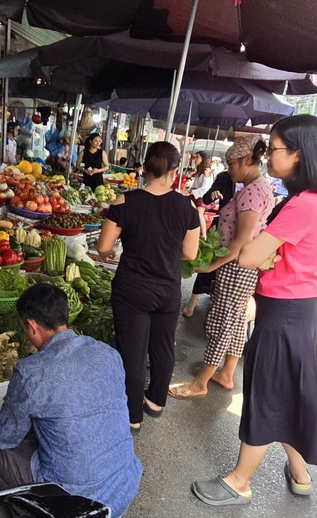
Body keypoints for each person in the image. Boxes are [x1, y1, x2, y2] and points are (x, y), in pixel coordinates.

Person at [191, 114, 317, 506]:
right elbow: (267, 255)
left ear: (298, 155)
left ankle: (240, 481)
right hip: (293, 309)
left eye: (273, 150)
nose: (267, 155)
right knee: (287, 394)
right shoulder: (309, 200)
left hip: (286, 315)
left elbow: (251, 254)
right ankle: (301, 473)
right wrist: (269, 258)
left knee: (267, 394)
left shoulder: (301, 204)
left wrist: (264, 257)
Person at [0, 284, 142, 517]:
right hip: (122, 486)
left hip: (75, 501)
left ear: (32, 326)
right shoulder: (107, 353)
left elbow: (4, 438)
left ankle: (31, 511)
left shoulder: (32, 372)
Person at [97, 141, 201, 433]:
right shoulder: (186, 206)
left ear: (143, 167)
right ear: (174, 171)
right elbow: (190, 254)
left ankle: (133, 418)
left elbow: (103, 247)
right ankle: (155, 401)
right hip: (167, 290)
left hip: (132, 289)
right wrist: (166, 250)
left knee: (132, 353)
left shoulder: (124, 201)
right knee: (163, 347)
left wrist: (117, 249)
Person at [170, 136, 274, 399]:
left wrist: (210, 266)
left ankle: (200, 382)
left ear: (247, 160)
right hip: (244, 267)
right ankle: (226, 374)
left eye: (231, 163)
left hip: (236, 266)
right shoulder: (259, 186)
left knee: (222, 321)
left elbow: (240, 242)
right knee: (237, 321)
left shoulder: (251, 191)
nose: (229, 169)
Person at [182, 169, 237, 316]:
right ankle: (191, 303)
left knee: (230, 271)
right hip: (220, 229)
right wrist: (213, 195)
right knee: (208, 265)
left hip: (239, 232)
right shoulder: (225, 177)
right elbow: (206, 199)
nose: (232, 167)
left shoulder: (252, 184)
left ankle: (219, 308)